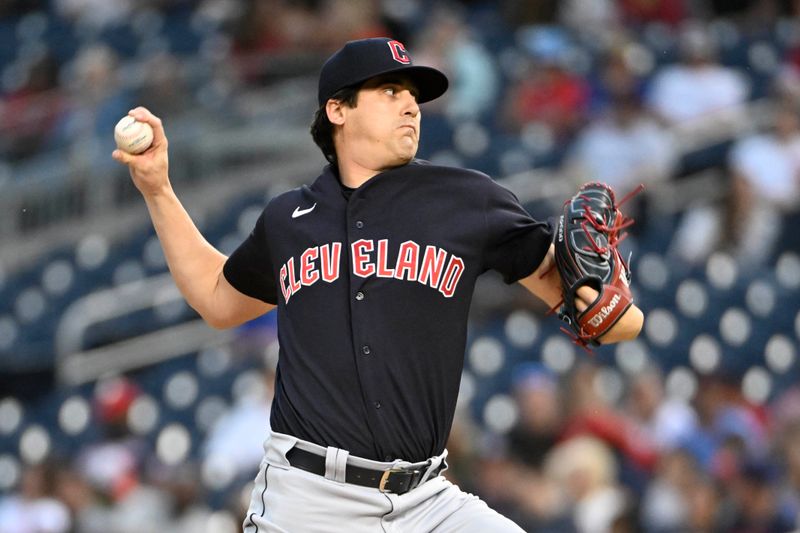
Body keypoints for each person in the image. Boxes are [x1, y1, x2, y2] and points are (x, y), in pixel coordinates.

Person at [113, 37, 643, 532]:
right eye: (390, 91)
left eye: (413, 95)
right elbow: (216, 300)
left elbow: (611, 322)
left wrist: (610, 305)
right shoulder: (290, 220)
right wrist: (158, 188)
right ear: (337, 110)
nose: (411, 105)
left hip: (426, 500)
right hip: (309, 499)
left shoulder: (467, 200)